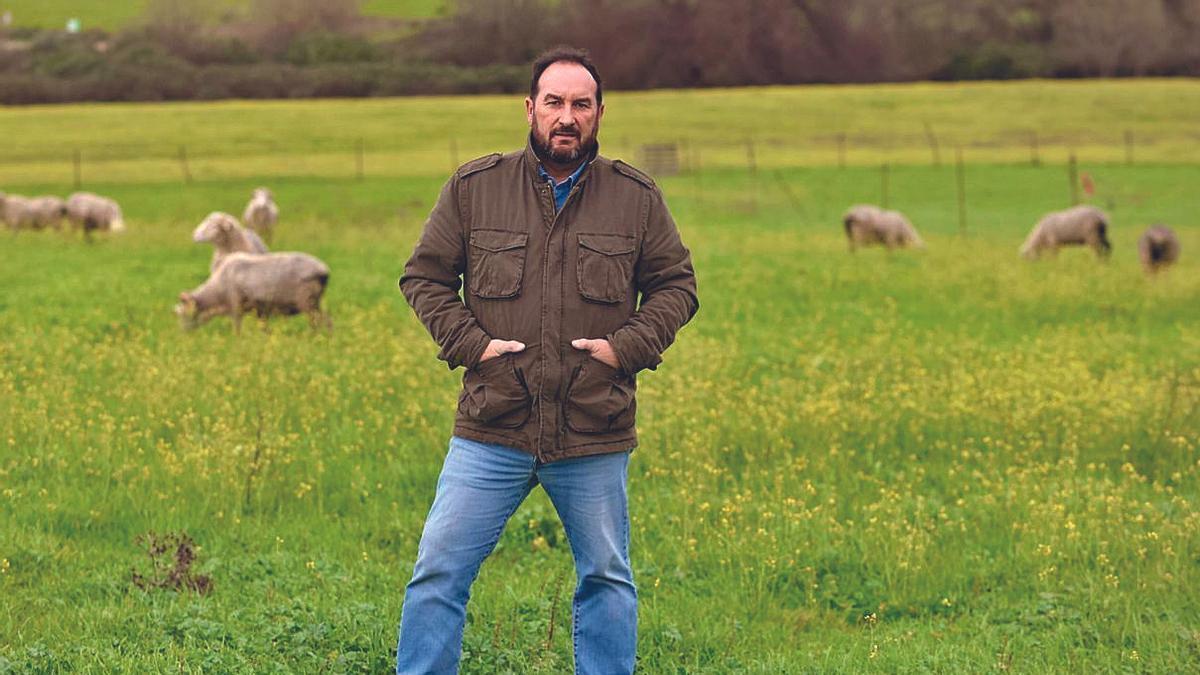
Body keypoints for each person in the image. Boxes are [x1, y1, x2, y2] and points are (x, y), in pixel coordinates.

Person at [396, 45, 699, 674]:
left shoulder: (635, 197)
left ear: (599, 113)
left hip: (593, 423)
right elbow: (423, 278)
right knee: (438, 571)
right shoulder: (474, 188)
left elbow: (677, 286)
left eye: (581, 105)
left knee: (607, 578)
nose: (567, 116)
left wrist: (625, 349)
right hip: (494, 421)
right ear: (530, 109)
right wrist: (472, 345)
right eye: (555, 103)